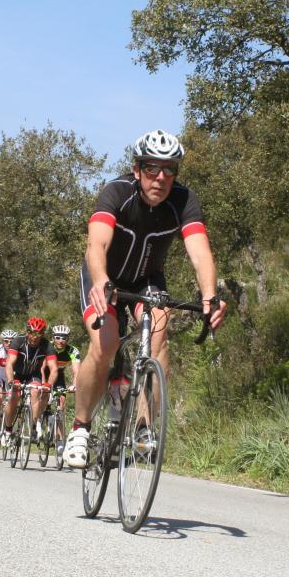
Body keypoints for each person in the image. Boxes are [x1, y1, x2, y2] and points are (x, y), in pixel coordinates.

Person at [63, 129, 227, 468]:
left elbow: (200, 253)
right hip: (104, 276)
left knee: (159, 333)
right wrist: (101, 281)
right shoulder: (117, 192)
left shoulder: (183, 201)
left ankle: (143, 427)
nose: (161, 177)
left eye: (170, 169)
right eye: (152, 168)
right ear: (137, 170)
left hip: (146, 281)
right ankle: (80, 428)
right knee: (106, 343)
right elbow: (96, 244)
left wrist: (210, 295)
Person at [1, 316, 58, 446]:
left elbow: (54, 368)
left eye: (38, 333)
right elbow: (9, 363)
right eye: (31, 333)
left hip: (33, 374)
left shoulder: (47, 346)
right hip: (17, 374)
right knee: (14, 397)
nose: (34, 337)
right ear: (27, 332)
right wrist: (11, 381)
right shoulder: (18, 341)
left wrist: (48, 384)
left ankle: (32, 427)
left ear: (43, 334)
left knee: (35, 393)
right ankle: (8, 430)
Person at [50, 324, 80, 446]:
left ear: (68, 339)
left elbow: (77, 371)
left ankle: (59, 441)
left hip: (59, 376)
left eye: (64, 338)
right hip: (45, 375)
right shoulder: (47, 347)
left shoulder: (73, 351)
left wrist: (74, 384)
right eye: (57, 337)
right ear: (53, 338)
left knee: (61, 404)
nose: (61, 341)